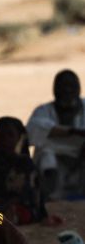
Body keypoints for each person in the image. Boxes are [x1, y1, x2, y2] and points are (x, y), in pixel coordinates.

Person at [0, 117, 52, 225]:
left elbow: (34, 194)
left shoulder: (25, 163)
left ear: (19, 137)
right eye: (1, 135)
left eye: (10, 135)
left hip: (21, 211)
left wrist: (43, 216)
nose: (5, 139)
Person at [27, 69, 85, 200]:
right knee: (46, 154)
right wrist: (72, 132)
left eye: (71, 86)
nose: (67, 90)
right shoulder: (43, 111)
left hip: (81, 163)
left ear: (79, 88)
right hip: (53, 167)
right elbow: (30, 133)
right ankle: (48, 196)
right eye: (63, 86)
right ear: (55, 89)